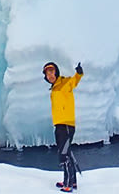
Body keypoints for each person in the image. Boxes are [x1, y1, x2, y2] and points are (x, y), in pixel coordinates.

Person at [43, 61, 83, 191]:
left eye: (51, 71)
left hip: (66, 125)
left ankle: (68, 185)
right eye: (47, 74)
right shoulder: (54, 88)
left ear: (56, 72)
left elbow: (74, 81)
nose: (50, 75)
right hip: (60, 125)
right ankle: (73, 181)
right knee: (67, 153)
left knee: (63, 155)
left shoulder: (65, 82)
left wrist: (79, 73)